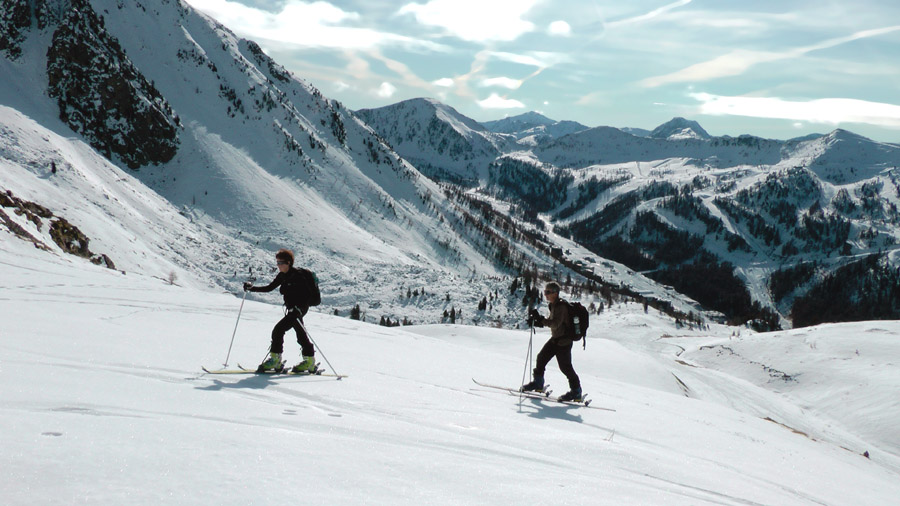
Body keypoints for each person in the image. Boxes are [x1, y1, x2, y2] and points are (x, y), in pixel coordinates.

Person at [243, 249, 317, 373]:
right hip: (293, 309)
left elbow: (307, 295)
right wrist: (252, 288)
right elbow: (269, 288)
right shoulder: (283, 275)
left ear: (288, 263)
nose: (278, 265)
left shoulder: (298, 275)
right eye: (277, 262)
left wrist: (298, 308)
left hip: (299, 309)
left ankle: (275, 360)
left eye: (281, 262)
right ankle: (309, 360)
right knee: (300, 333)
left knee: (278, 330)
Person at [522, 282, 582, 402]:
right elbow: (552, 322)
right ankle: (538, 384)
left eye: (548, 292)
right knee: (541, 358)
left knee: (565, 367)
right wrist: (539, 321)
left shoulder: (561, 307)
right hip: (556, 339)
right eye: (545, 292)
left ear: (555, 293)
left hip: (563, 342)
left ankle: (576, 391)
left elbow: (555, 323)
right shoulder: (554, 305)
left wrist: (541, 320)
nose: (546, 294)